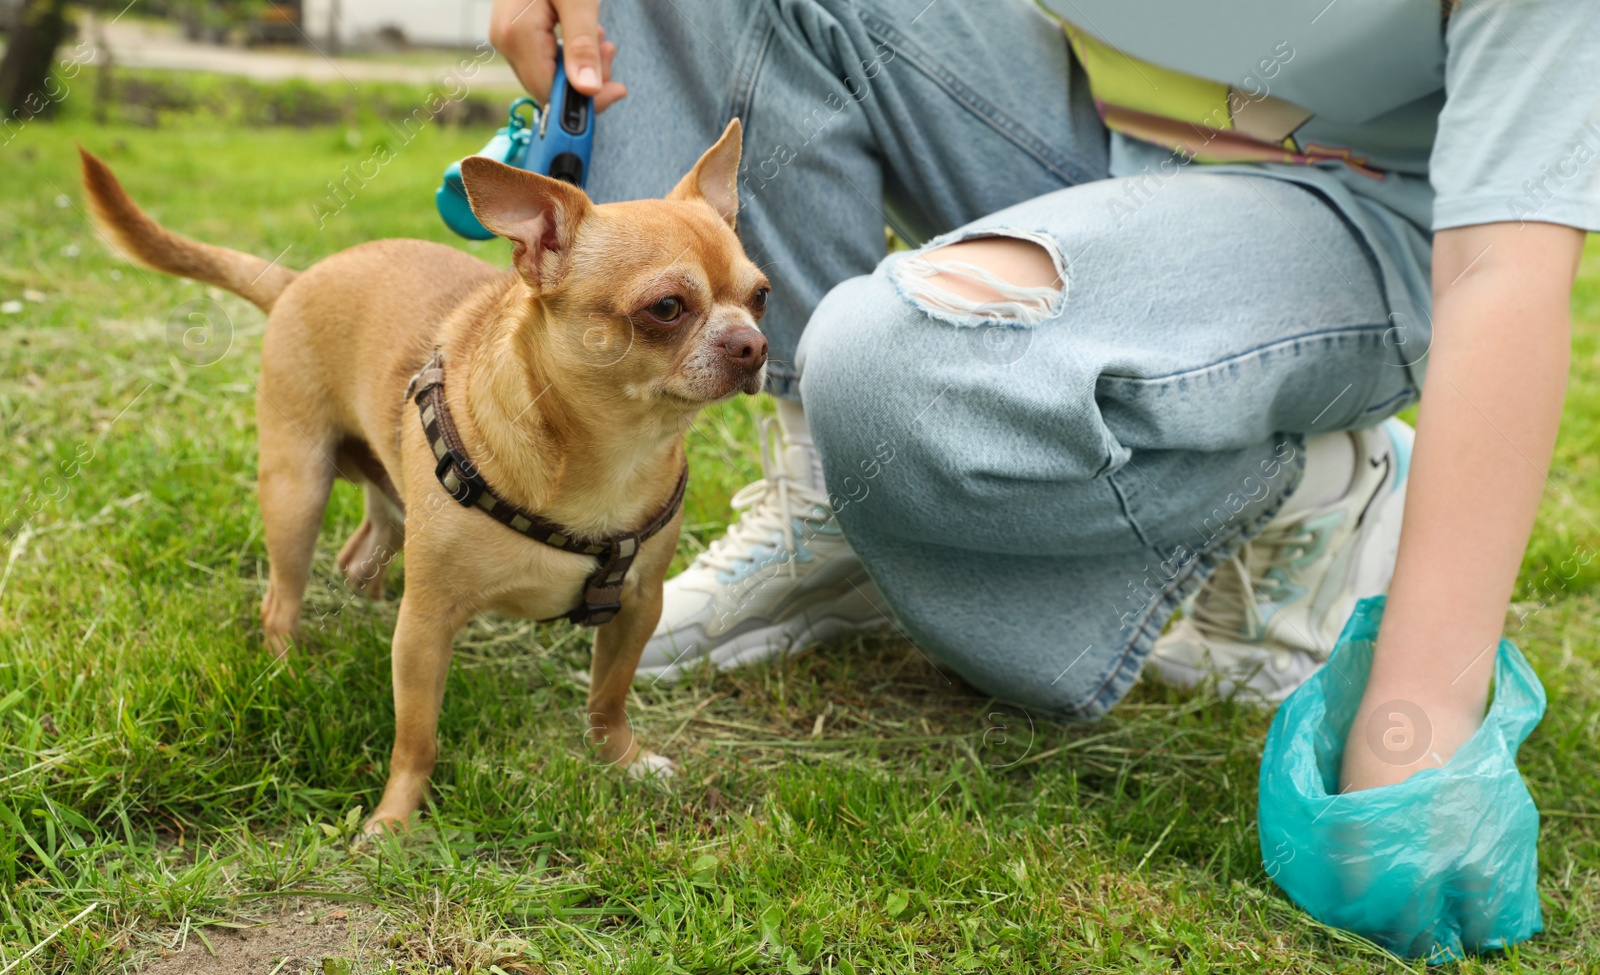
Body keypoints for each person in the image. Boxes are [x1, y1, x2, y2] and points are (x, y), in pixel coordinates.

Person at [487, 0, 1597, 805]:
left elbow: (1500, 273)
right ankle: (831, 504)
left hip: (1357, 209)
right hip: (1084, 127)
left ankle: (1314, 480)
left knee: (878, 368)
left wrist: (1423, 720)